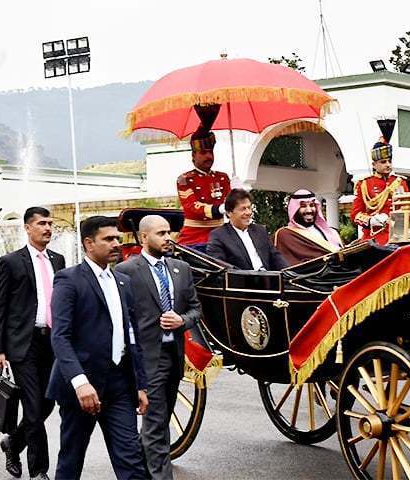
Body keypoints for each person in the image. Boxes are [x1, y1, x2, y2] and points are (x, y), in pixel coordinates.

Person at [46, 216, 148, 480]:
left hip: (119, 386)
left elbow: (131, 335)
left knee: (132, 459)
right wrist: (80, 383)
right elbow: (60, 337)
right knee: (71, 459)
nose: (116, 244)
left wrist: (140, 384)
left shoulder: (122, 281)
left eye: (118, 238)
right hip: (82, 387)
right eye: (108, 239)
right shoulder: (68, 280)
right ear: (88, 244)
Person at [115, 215, 201, 479]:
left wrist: (182, 320)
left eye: (169, 233)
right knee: (154, 425)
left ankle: (140, 468)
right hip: (145, 360)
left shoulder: (180, 268)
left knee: (160, 422)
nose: (168, 238)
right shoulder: (127, 271)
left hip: (174, 356)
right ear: (143, 238)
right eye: (161, 233)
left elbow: (196, 309)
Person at [0, 207, 65, 480]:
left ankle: (13, 443)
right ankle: (39, 472)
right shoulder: (10, 262)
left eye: (50, 223)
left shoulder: (58, 259)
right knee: (33, 408)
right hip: (23, 344)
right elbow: (0, 308)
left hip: (52, 343)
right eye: (41, 224)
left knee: (47, 405)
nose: (47, 228)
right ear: (27, 228)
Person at [175, 104, 231, 250]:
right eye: (204, 153)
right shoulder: (185, 179)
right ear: (193, 155)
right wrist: (218, 209)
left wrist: (237, 195)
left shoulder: (223, 177)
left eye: (211, 152)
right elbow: (192, 206)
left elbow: (231, 203)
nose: (209, 156)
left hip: (221, 234)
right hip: (195, 237)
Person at [351, 119, 409, 244]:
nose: (388, 165)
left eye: (389, 161)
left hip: (398, 237)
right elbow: (355, 215)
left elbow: (407, 208)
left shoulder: (400, 182)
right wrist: (371, 220)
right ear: (374, 164)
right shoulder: (364, 184)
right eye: (383, 162)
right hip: (375, 238)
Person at [206, 189, 288, 271]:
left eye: (249, 208)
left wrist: (290, 275)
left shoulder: (260, 231)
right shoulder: (219, 235)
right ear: (229, 212)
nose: (248, 212)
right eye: (243, 209)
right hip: (241, 281)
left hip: (268, 280)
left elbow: (276, 257)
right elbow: (219, 268)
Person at [274, 189, 343, 265]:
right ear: (294, 210)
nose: (309, 210)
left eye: (312, 205)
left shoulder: (332, 233)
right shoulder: (285, 235)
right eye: (303, 206)